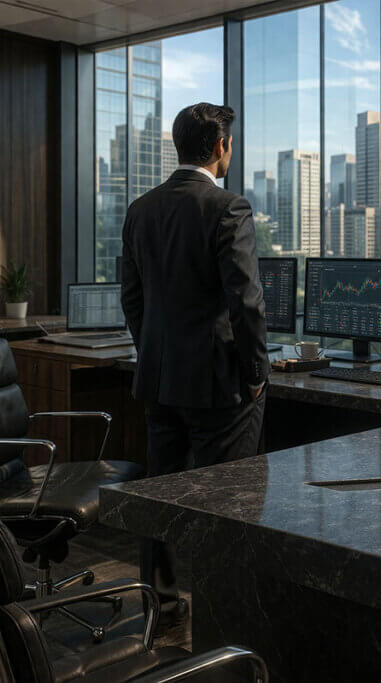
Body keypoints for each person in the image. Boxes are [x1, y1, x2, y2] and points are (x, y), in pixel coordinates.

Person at [120, 102, 269, 623]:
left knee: (159, 496)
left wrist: (155, 354)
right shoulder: (228, 207)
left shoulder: (141, 209)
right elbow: (247, 302)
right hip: (217, 386)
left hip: (160, 381)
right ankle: (220, 619)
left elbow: (132, 298)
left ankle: (159, 607)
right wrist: (257, 375)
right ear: (221, 147)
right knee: (225, 503)